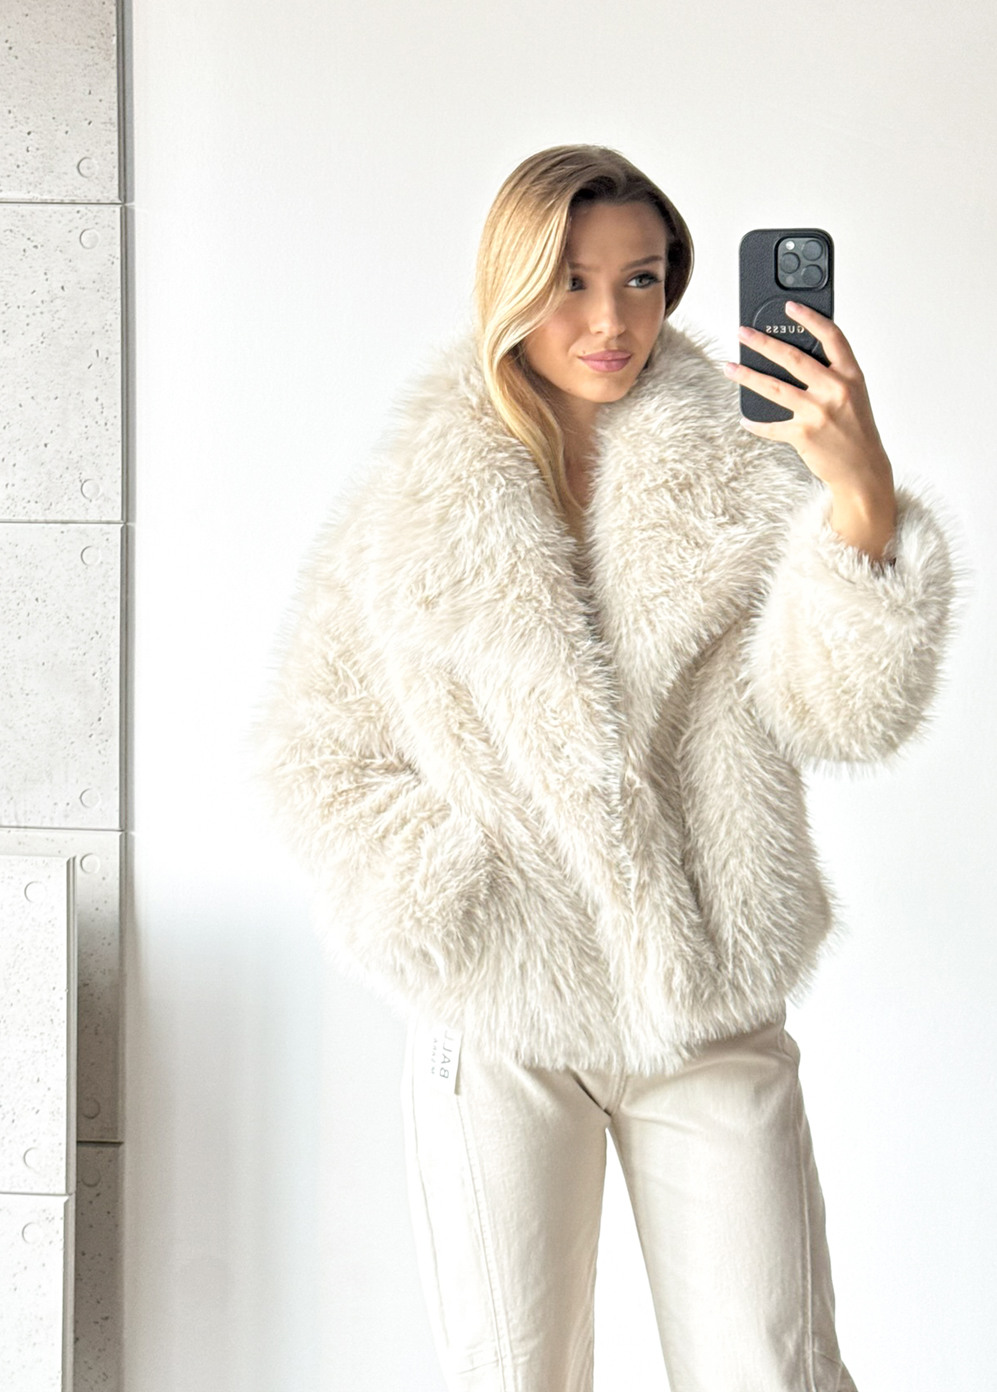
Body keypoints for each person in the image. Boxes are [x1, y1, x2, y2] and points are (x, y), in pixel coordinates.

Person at [251, 145, 956, 1391]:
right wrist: (461, 897)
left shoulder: (750, 474)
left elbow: (845, 715)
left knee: (771, 1367)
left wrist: (859, 496)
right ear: (510, 285)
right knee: (511, 1375)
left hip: (708, 1001)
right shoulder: (413, 508)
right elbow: (317, 750)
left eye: (640, 278)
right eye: (571, 281)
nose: (611, 321)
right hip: (505, 1012)